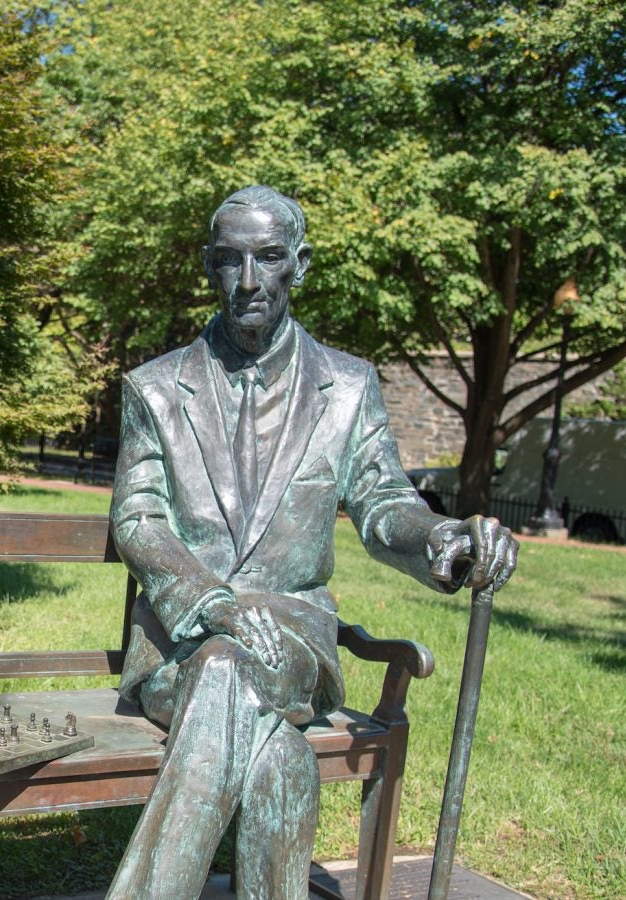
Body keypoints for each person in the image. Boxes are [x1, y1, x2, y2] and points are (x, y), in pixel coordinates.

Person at [107, 185, 517, 899]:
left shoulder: (350, 388)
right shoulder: (156, 388)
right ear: (209, 266)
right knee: (280, 761)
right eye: (230, 261)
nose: (249, 281)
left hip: (295, 644)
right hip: (181, 650)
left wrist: (442, 535)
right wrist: (213, 603)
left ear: (300, 265)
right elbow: (138, 517)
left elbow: (385, 501)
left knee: (233, 675)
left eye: (268, 259)